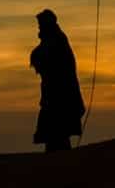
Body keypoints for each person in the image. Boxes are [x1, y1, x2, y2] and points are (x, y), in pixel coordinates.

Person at [31, 9, 85, 152]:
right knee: (55, 139)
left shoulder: (57, 41)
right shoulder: (54, 40)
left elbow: (50, 62)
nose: (39, 27)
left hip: (60, 98)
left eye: (41, 24)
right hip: (54, 96)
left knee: (58, 138)